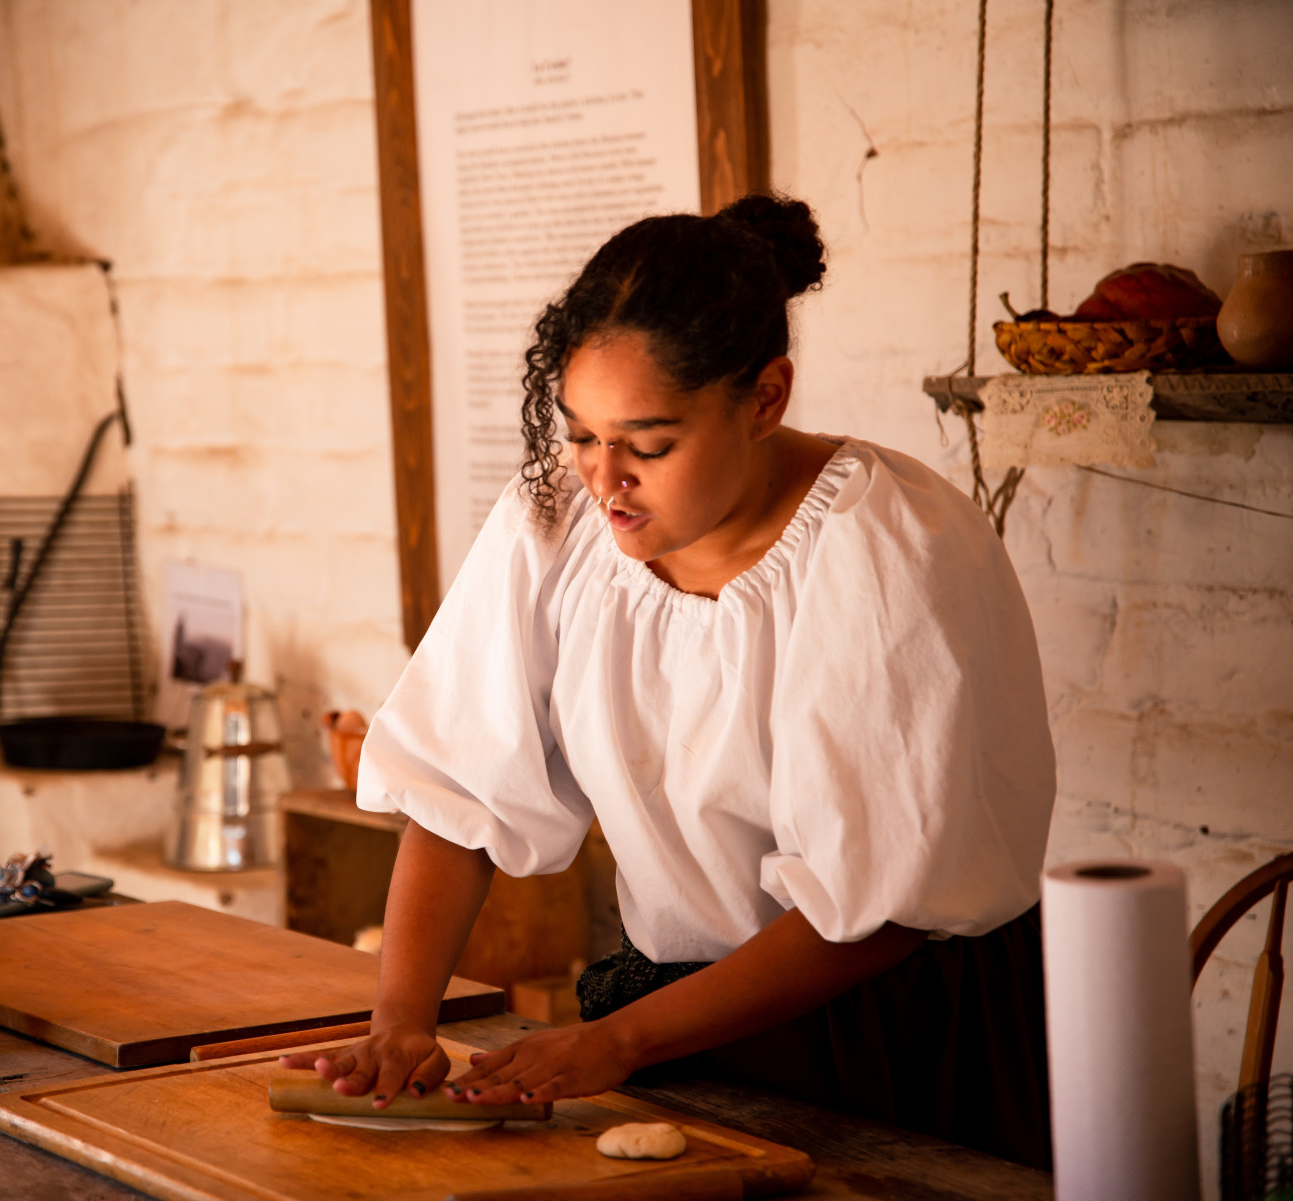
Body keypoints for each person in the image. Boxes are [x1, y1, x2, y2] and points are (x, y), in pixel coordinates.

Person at [282, 195, 1057, 1168]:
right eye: (580, 434)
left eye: (648, 445)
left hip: (900, 1037)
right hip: (681, 1024)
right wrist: (401, 1018)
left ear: (766, 397)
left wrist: (616, 1040)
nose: (605, 479)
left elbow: (884, 906)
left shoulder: (892, 551)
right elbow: (458, 783)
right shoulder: (558, 522)